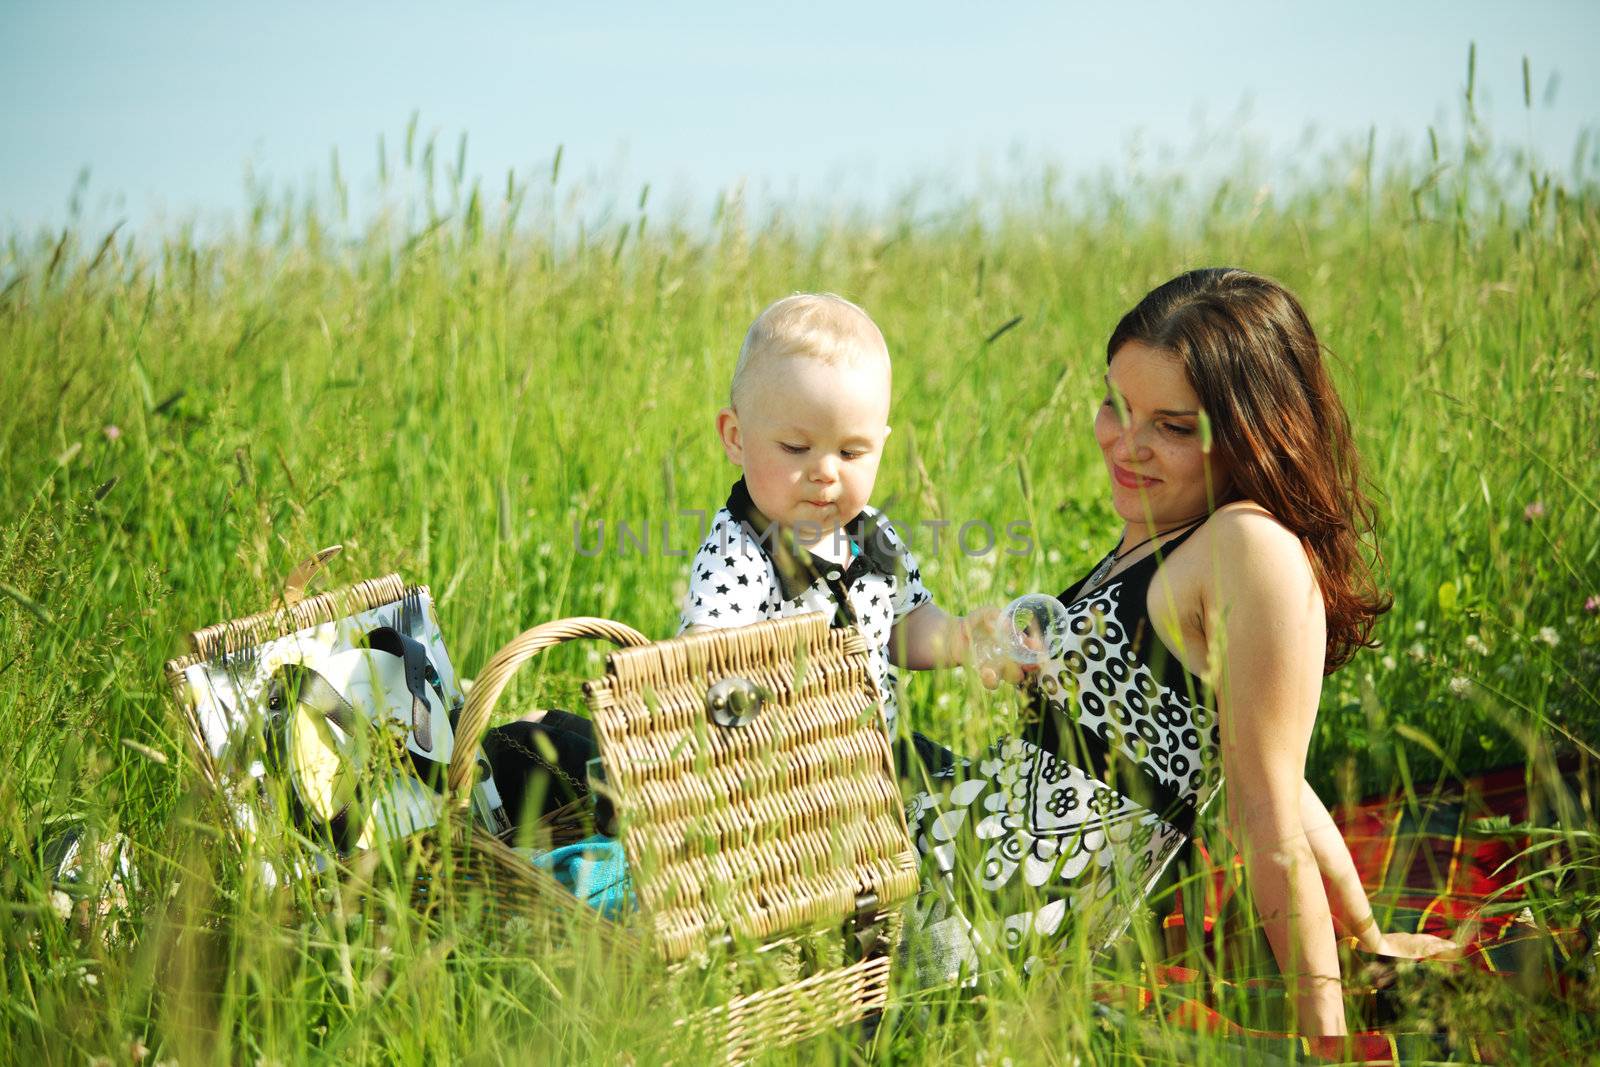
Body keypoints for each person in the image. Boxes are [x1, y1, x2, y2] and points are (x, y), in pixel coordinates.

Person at [904, 268, 1458, 1036]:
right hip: (966, 845)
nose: (1126, 443)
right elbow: (1278, 772)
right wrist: (1367, 937)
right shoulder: (1159, 535)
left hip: (992, 905)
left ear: (1251, 434)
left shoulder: (1244, 545)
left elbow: (1266, 805)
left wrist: (1326, 1036)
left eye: (1171, 425)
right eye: (1117, 407)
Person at [679, 292, 989, 752]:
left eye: (850, 452)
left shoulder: (871, 535)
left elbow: (905, 624)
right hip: (786, 774)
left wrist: (962, 638)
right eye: (796, 448)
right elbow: (706, 655)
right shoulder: (741, 551)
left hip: (874, 760)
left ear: (879, 446)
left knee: (963, 783)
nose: (826, 471)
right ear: (736, 437)